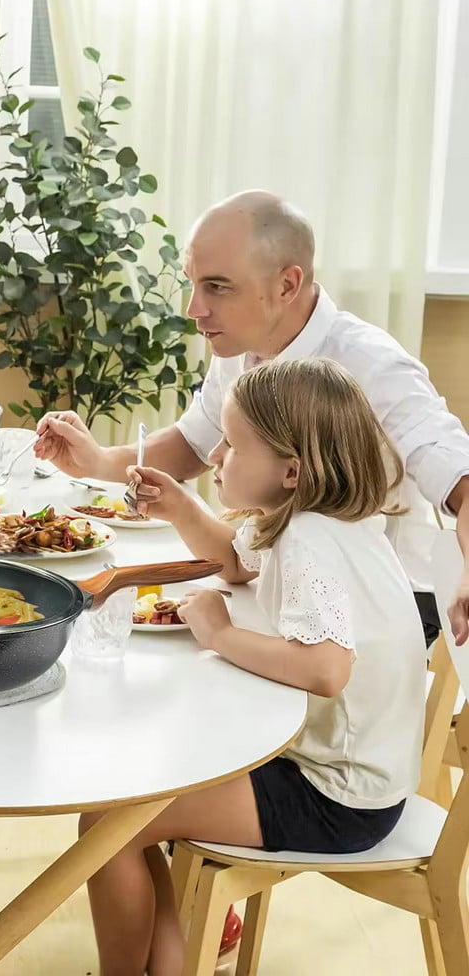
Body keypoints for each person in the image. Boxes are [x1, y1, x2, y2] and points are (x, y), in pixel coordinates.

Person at [84, 358, 425, 975]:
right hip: (364, 776)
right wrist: (181, 508)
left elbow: (326, 668)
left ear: (291, 471)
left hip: (338, 796)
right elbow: (237, 564)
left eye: (233, 445)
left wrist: (218, 632)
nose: (215, 455)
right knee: (131, 801)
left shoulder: (310, 541)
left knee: (109, 820)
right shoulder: (326, 523)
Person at [35, 190, 469, 650]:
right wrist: (99, 461)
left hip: (383, 614)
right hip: (285, 590)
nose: (194, 309)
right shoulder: (240, 342)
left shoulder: (375, 367)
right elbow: (194, 444)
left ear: (287, 285)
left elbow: (462, 481)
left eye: (218, 287)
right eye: (193, 283)